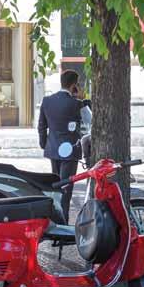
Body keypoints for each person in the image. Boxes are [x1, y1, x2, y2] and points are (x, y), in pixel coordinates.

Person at [37, 69, 92, 224]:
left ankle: (56, 219)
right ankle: (63, 222)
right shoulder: (77, 104)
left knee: (56, 187)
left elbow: (41, 126)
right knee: (66, 189)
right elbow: (90, 122)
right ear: (74, 85)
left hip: (53, 149)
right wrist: (83, 101)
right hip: (70, 150)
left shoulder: (47, 101)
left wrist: (44, 144)